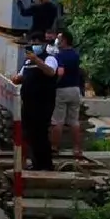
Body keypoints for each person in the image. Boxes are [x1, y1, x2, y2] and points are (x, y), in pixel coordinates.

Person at [11, 32, 57, 171]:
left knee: (40, 133)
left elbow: (50, 72)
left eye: (37, 43)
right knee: (30, 134)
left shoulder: (49, 59)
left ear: (43, 44)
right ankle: (36, 163)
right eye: (32, 43)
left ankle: (46, 164)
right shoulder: (27, 62)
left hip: (43, 103)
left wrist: (36, 60)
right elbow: (20, 76)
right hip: (28, 103)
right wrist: (15, 79)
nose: (34, 46)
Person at [49, 30, 85, 159]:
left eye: (59, 39)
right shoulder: (75, 55)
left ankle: (54, 148)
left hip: (62, 90)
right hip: (75, 90)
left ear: (64, 40)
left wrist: (54, 84)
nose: (57, 41)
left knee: (58, 121)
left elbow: (60, 72)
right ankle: (77, 149)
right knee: (74, 121)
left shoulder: (60, 56)